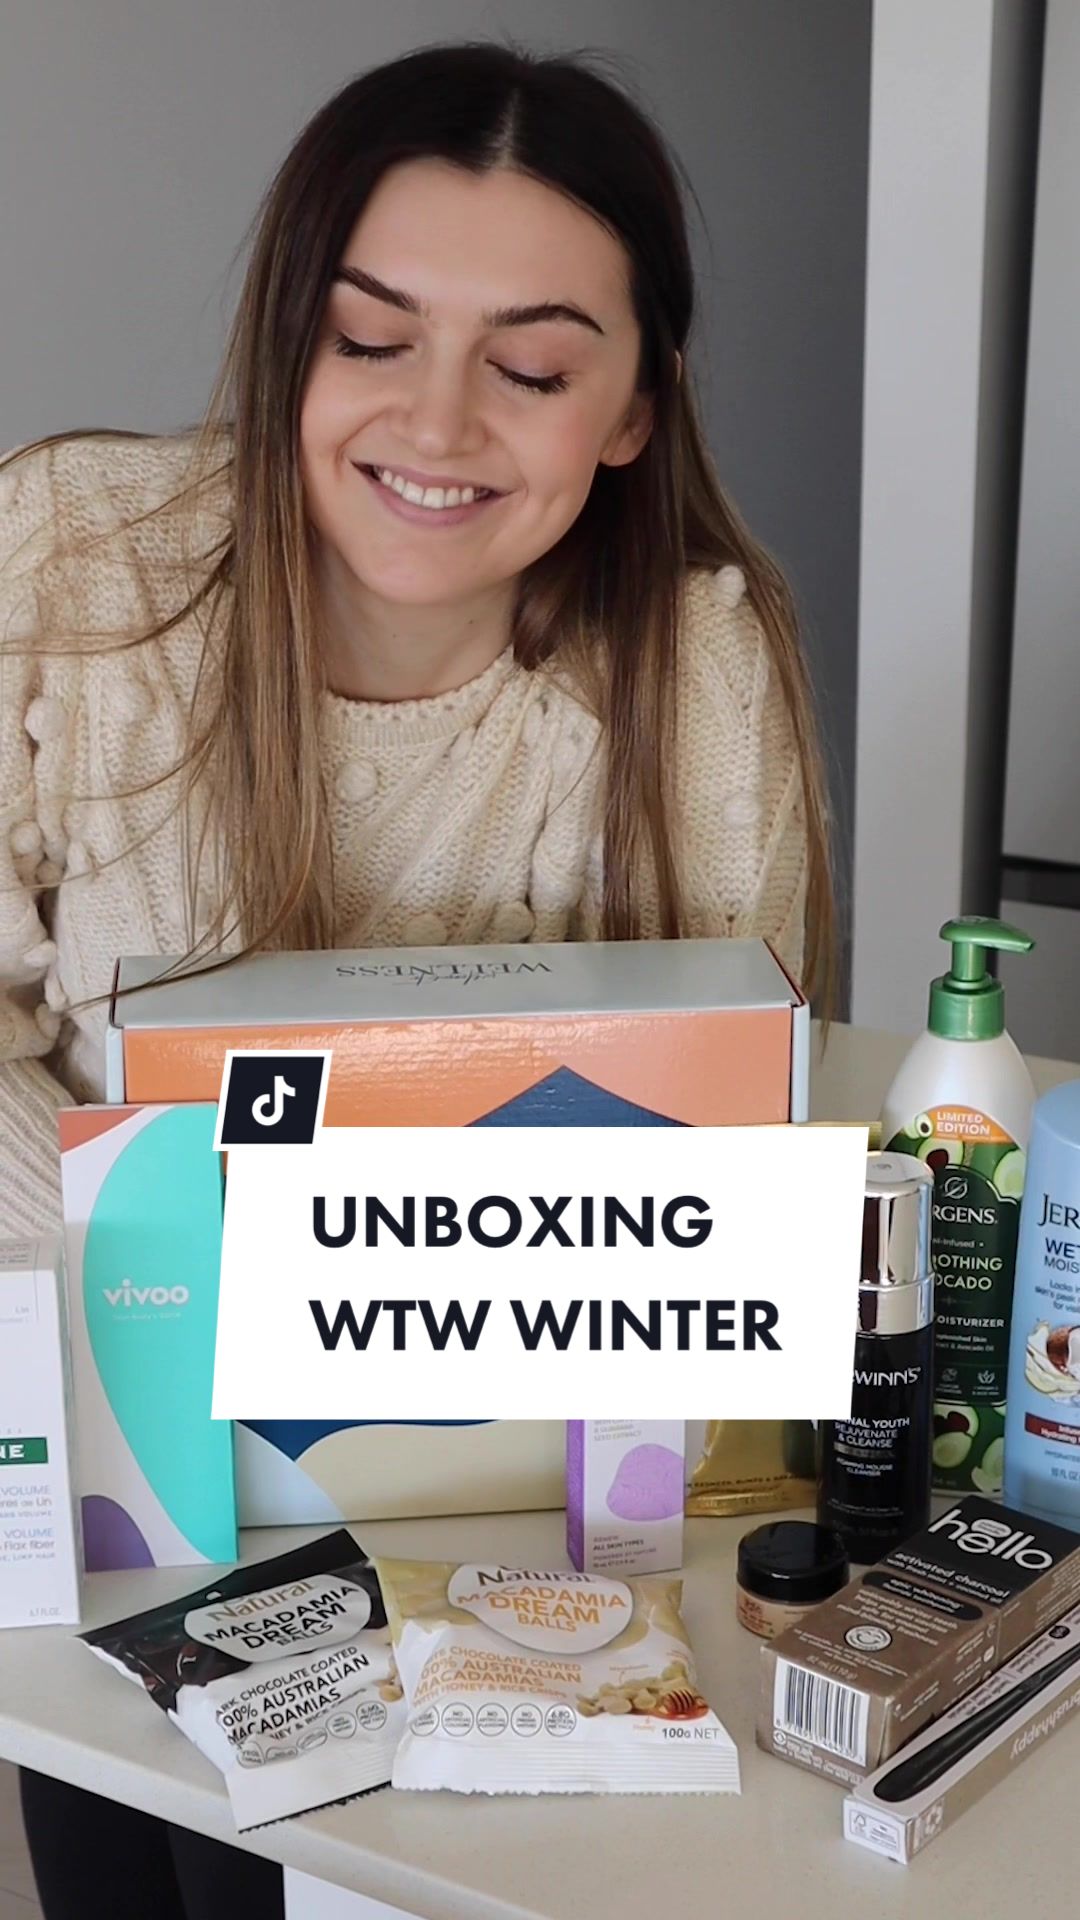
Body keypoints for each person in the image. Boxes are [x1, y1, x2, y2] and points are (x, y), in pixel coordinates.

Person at [1, 39, 834, 1919]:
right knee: (144, 1859)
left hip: (511, 1496)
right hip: (121, 1424)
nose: (437, 421)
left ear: (633, 408)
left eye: (531, 369)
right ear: (287, 338)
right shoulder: (72, 557)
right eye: (370, 337)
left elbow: (724, 1163)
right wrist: (152, 1260)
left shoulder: (695, 667)